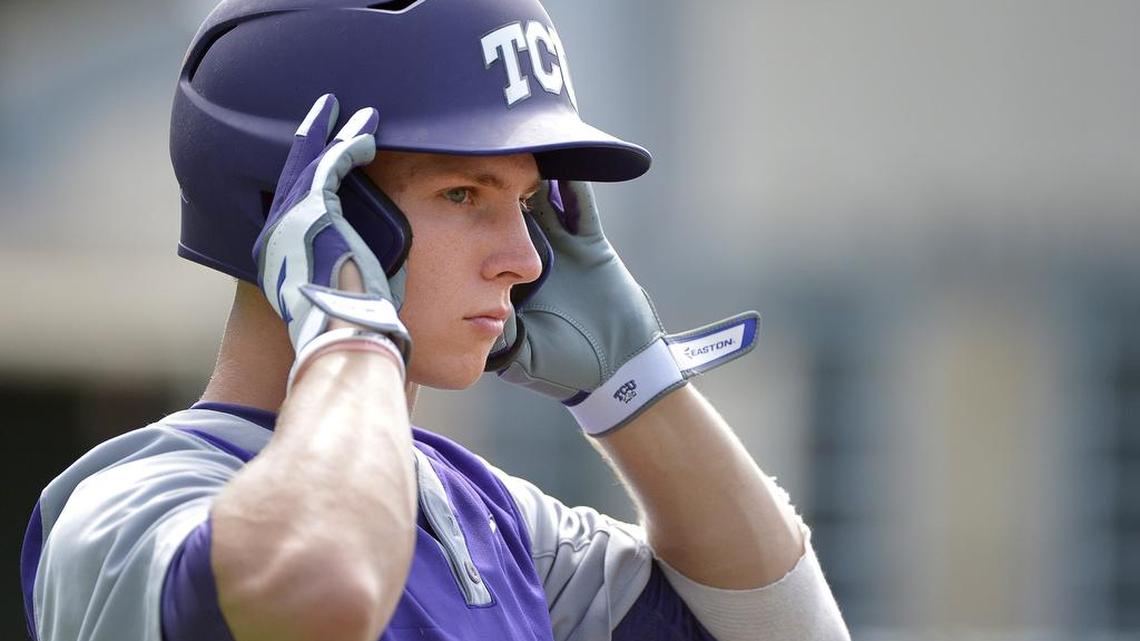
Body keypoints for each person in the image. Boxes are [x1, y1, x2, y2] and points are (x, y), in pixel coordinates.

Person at [20, 1, 851, 640]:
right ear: (307, 210)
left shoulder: (485, 514)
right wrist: (347, 320)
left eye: (525, 201)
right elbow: (326, 583)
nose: (526, 261)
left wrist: (635, 382)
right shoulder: (123, 503)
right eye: (464, 194)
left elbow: (786, 627)